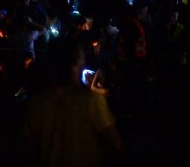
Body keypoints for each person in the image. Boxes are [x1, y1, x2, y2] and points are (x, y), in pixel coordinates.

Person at [22, 36, 121, 167]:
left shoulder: (35, 106)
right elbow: (115, 147)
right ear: (78, 61)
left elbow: (28, 154)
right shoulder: (91, 101)